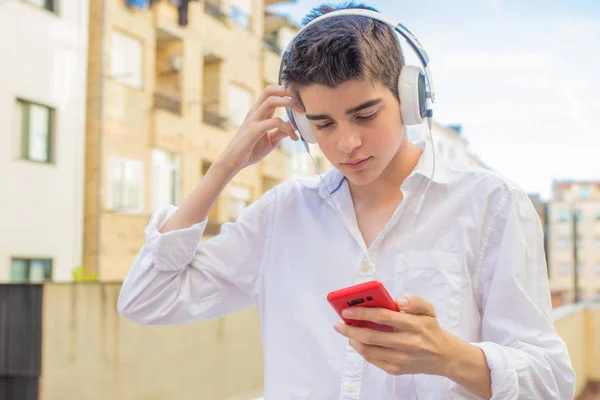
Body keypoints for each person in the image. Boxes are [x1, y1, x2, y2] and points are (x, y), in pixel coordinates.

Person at [117, 2, 575, 399]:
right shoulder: (283, 215)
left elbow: (551, 382)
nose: (347, 143)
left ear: (411, 98)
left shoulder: (492, 205)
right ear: (299, 125)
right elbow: (146, 300)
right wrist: (225, 167)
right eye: (323, 124)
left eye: (365, 114)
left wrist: (449, 357)